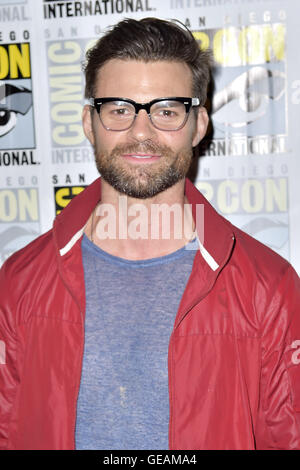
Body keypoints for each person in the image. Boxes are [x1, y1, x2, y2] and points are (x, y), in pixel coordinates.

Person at [0, 17, 300, 451]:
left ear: (198, 125)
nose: (141, 133)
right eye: (119, 109)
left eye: (166, 111)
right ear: (90, 122)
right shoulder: (19, 281)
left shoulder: (268, 288)